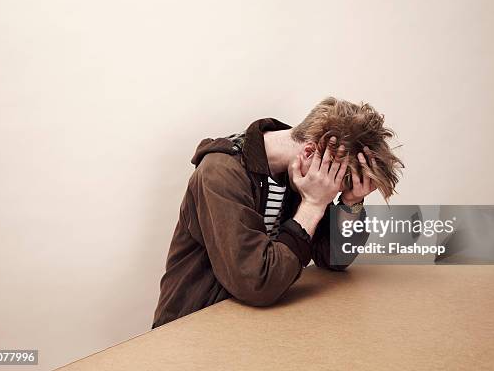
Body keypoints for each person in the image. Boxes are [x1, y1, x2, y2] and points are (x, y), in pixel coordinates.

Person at [152, 97, 403, 328]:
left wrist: (352, 202)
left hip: (252, 325)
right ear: (308, 152)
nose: (332, 190)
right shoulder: (220, 173)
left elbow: (333, 260)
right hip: (191, 329)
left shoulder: (301, 174)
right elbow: (256, 283)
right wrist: (313, 206)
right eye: (338, 181)